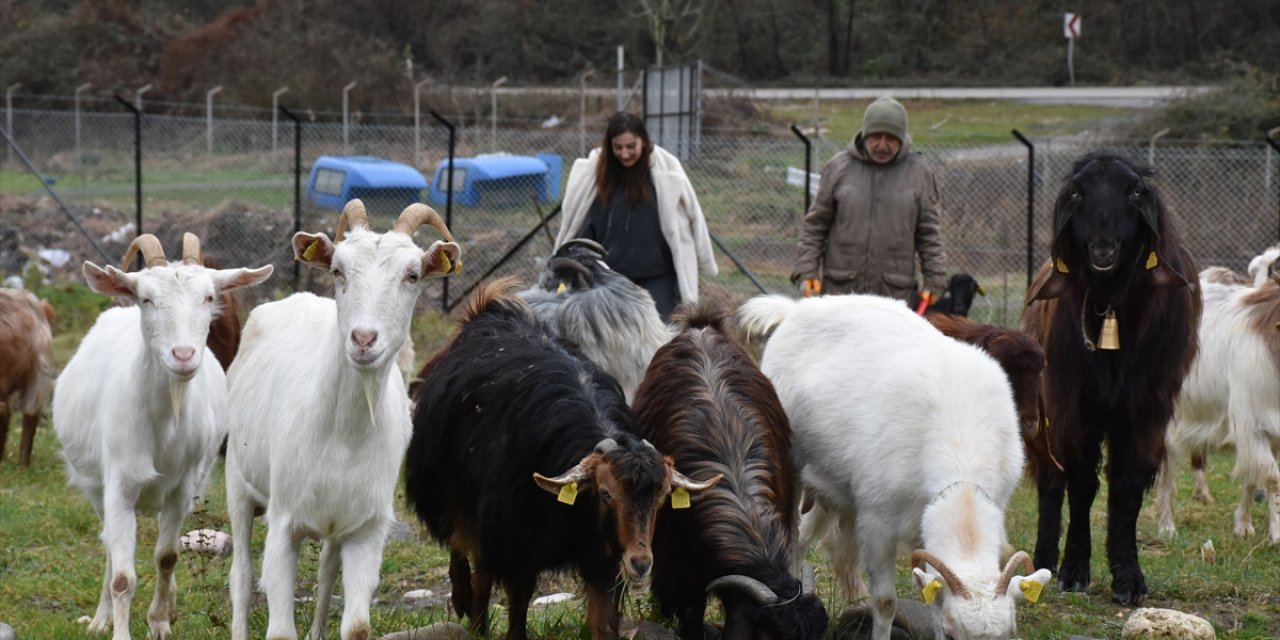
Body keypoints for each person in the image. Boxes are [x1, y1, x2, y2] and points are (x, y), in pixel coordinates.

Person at [555, 111, 718, 320]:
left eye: (631, 146)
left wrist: (703, 258)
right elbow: (583, 226)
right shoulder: (596, 176)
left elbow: (694, 214)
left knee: (660, 338)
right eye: (618, 147)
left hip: (659, 276)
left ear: (643, 142)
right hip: (611, 279)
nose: (624, 154)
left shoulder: (665, 172)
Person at [791, 96, 946, 305]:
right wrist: (807, 270)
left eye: (891, 138)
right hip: (841, 293)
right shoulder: (838, 168)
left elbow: (929, 235)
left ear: (901, 138)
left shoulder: (919, 173)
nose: (882, 145)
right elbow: (814, 226)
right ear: (864, 135)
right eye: (876, 137)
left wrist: (935, 279)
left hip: (894, 299)